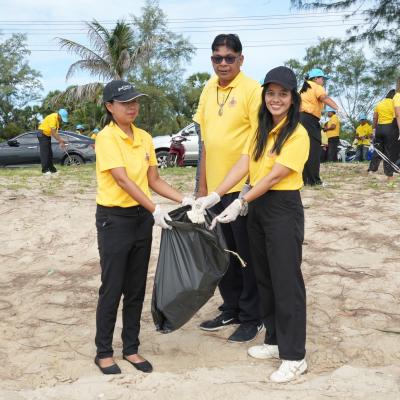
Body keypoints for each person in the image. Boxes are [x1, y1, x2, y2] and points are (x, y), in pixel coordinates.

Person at [194, 66, 310, 383]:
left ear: (292, 98)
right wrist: (217, 193)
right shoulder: (260, 130)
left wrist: (241, 201)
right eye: (270, 93)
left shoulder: (297, 133)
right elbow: (243, 164)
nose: (275, 99)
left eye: (282, 94)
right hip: (257, 207)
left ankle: (295, 356)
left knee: (286, 281)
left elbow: (274, 177)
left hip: (282, 208)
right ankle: (274, 340)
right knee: (265, 277)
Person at [94, 80, 193, 375]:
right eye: (125, 102)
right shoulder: (106, 138)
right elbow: (122, 179)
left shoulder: (145, 138)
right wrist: (155, 208)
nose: (132, 107)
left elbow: (154, 181)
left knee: (136, 286)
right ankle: (103, 352)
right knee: (113, 286)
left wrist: (185, 199)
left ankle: (131, 348)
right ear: (110, 106)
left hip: (141, 219)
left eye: (135, 101)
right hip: (114, 219)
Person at [193, 34, 263, 343]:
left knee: (246, 256)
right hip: (214, 192)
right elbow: (205, 141)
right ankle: (231, 307)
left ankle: (252, 317)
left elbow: (259, 143)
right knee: (222, 254)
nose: (223, 63)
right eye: (217, 58)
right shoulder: (208, 88)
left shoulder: (252, 90)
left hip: (241, 190)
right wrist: (202, 188)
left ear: (240, 59)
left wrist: (246, 190)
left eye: (229, 58)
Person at [299, 68, 339, 185]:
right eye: (322, 78)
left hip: (300, 119)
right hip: (310, 119)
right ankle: (314, 181)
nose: (323, 81)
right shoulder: (316, 86)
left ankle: (305, 179)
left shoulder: (303, 89)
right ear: (316, 78)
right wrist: (337, 108)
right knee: (314, 149)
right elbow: (324, 98)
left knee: (304, 149)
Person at [368, 90, 397, 182]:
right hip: (390, 128)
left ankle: (371, 170)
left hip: (379, 128)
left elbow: (375, 118)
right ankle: (389, 174)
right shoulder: (394, 103)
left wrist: (373, 130)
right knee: (389, 152)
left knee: (378, 150)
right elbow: (397, 116)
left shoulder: (379, 103)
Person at [37, 109, 68, 175]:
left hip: (47, 135)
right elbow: (53, 133)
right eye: (62, 118)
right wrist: (60, 141)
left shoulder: (57, 120)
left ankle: (52, 169)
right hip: (42, 134)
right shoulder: (53, 118)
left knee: (50, 153)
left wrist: (61, 141)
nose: (62, 120)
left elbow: (55, 133)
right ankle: (45, 170)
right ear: (59, 115)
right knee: (45, 153)